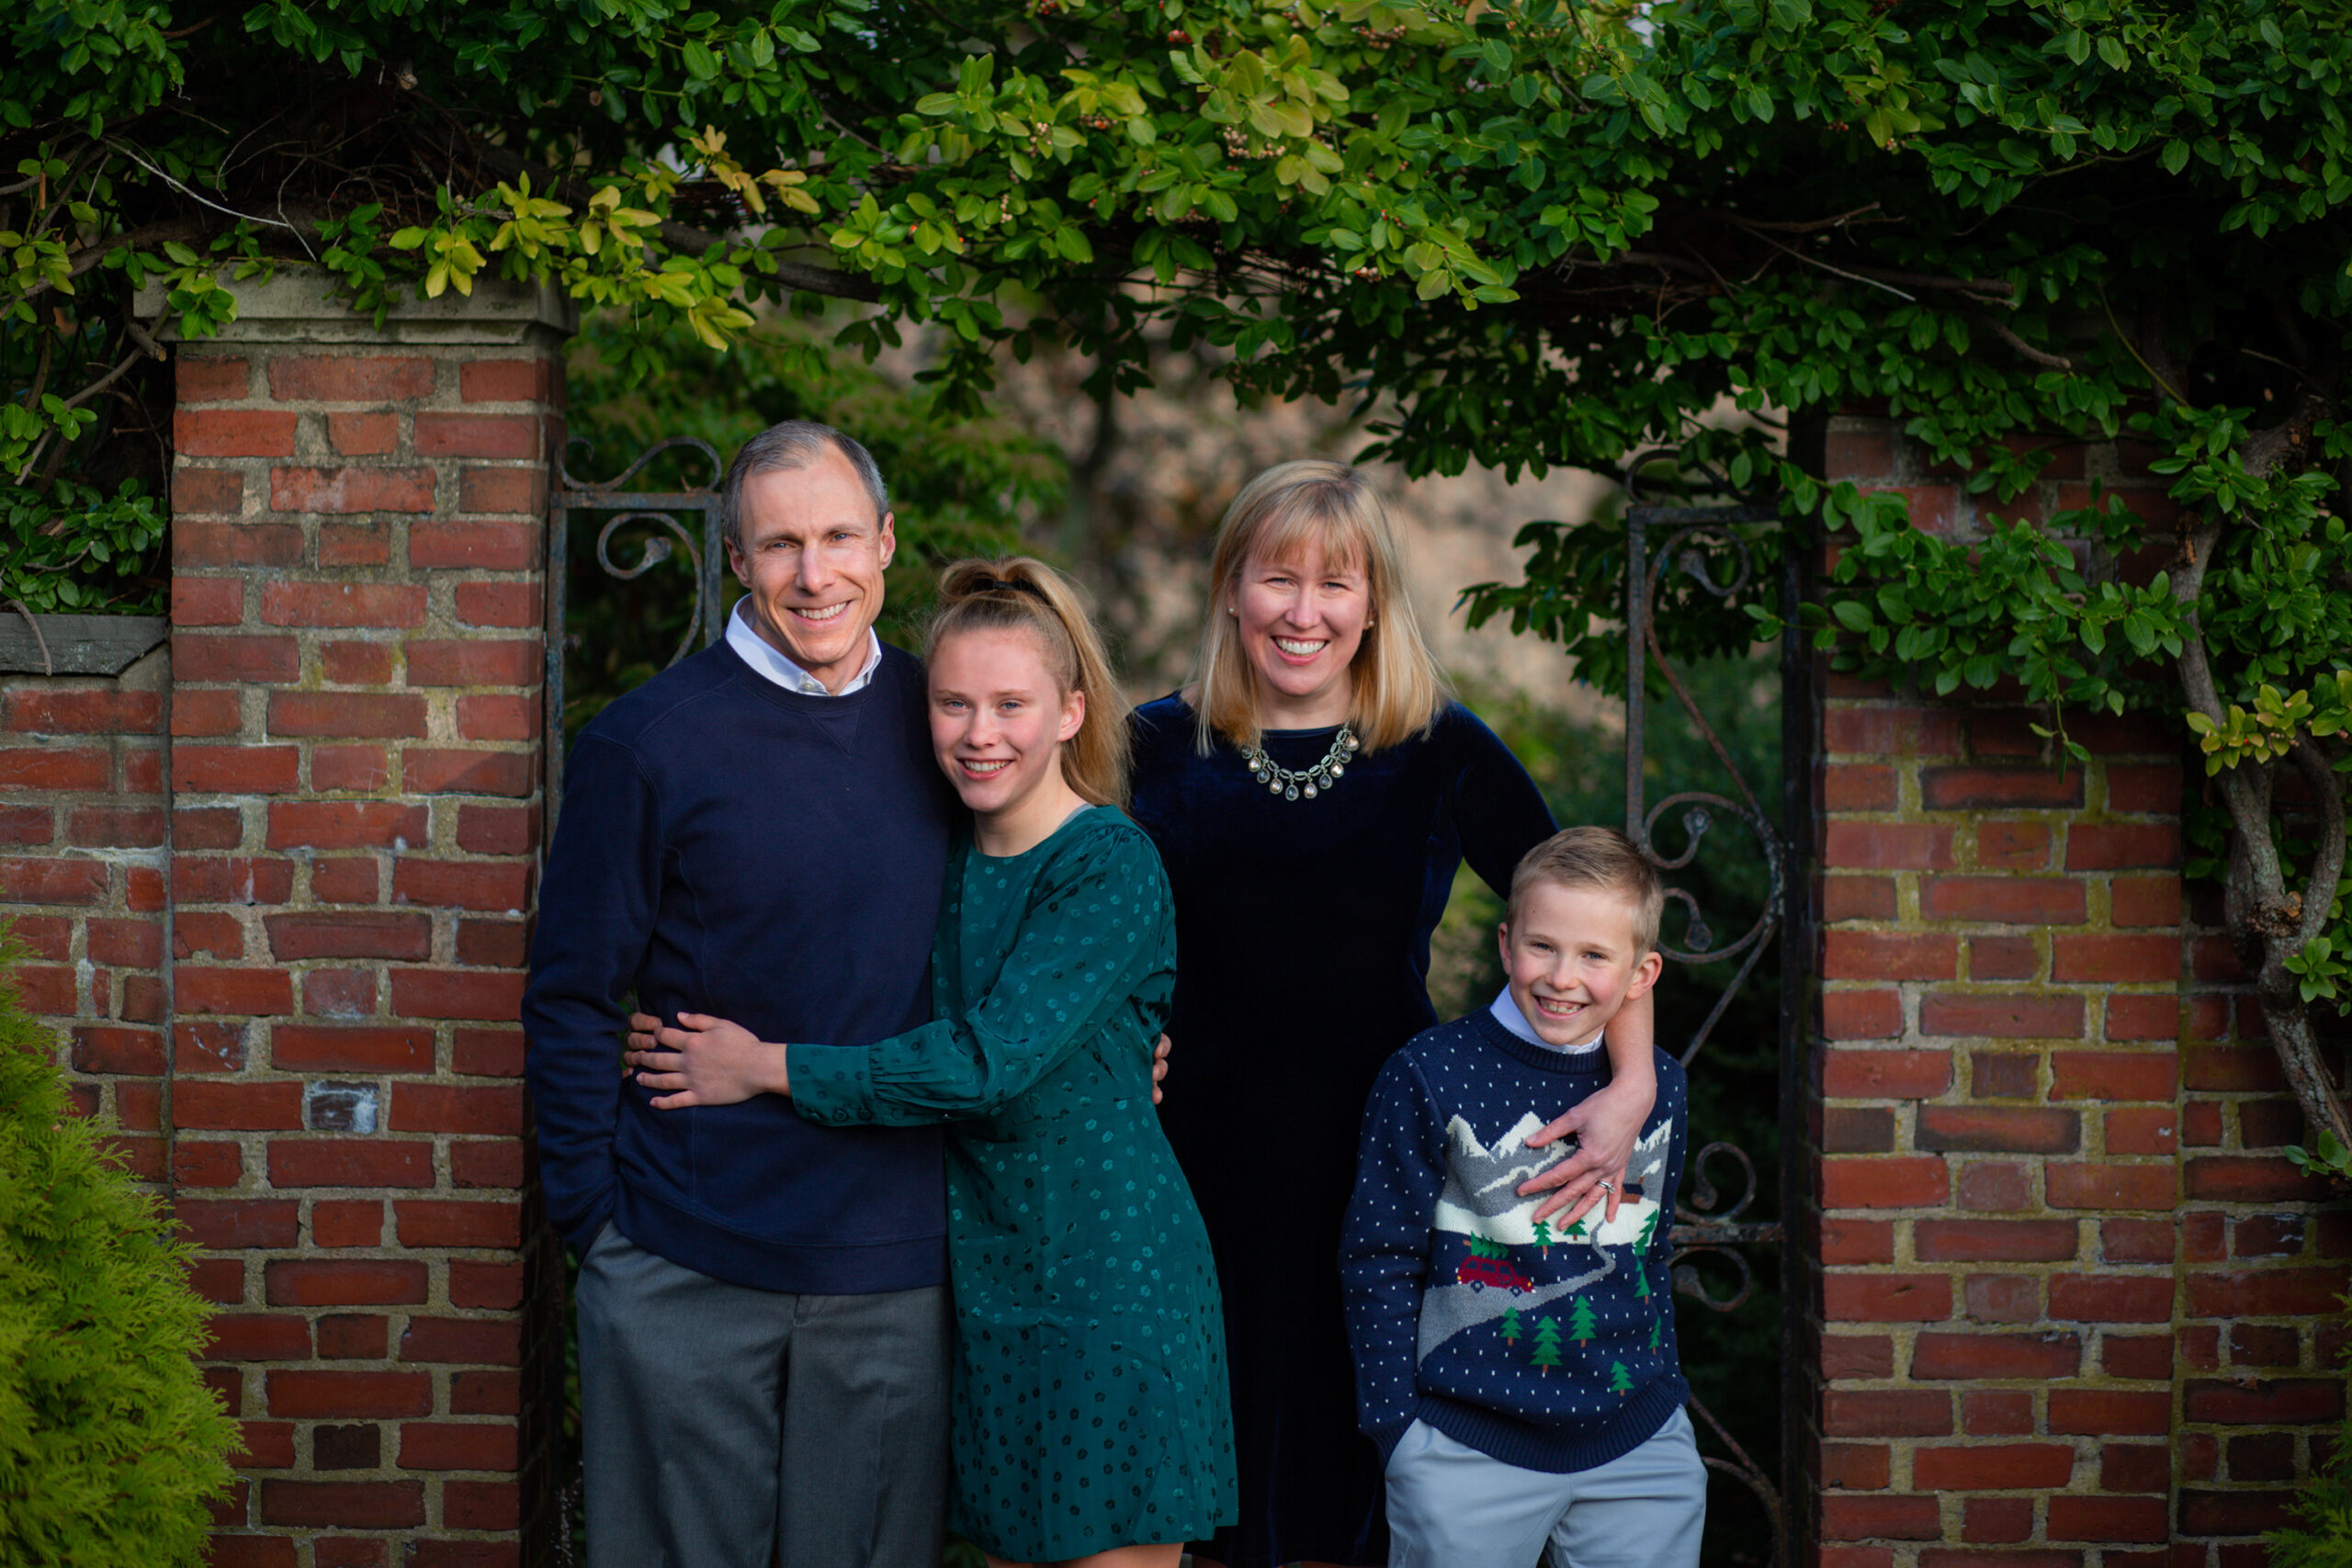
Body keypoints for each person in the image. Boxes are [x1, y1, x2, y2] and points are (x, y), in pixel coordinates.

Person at [623, 558, 1238, 1568]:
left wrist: (763, 1066)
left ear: (1071, 712)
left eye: (1010, 704)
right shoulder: (937, 854)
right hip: (985, 1285)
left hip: (1109, 1281)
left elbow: (985, 1062)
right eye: (953, 703)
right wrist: (673, 1023)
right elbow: (848, 980)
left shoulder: (1108, 862)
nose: (979, 732)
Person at [1125, 460, 1661, 1567]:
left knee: (1357, 1474)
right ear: (1231, 589)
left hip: (1385, 1160)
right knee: (1200, 1467)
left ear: (1373, 604)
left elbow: (1590, 917)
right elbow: (1067, 918)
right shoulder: (1151, 749)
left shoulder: (1437, 748)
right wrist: (1110, 1047)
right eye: (1278, 579)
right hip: (1190, 1157)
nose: (1304, 613)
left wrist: (1632, 1081)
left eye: (1336, 584)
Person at [521, 421, 956, 1568]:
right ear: (735, 560)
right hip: (681, 1260)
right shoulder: (648, 743)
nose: (814, 575)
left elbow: (1037, 926)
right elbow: (571, 995)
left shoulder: (950, 727)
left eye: (838, 538)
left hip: (894, 1268)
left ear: (886, 543)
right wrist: (598, 1225)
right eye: (779, 546)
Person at [1340, 827, 1702, 1568]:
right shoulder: (1429, 1073)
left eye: (1595, 955)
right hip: (1462, 1449)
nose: (1563, 977)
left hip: (1638, 1447)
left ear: (1642, 973)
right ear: (1506, 945)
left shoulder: (1659, 1087)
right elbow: (1379, 1258)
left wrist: (1664, 1386)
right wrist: (1399, 1432)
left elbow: (1651, 1246)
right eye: (1543, 946)